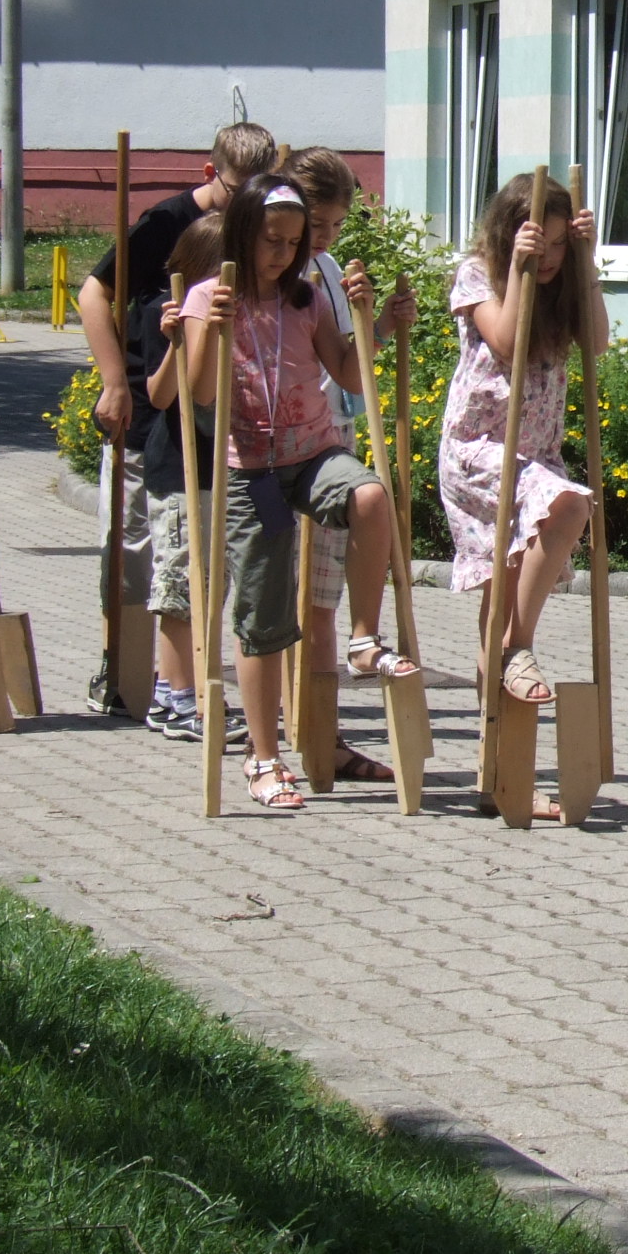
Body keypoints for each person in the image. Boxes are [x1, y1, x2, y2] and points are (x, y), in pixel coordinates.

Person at [178, 177, 419, 812]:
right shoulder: (210, 296)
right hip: (250, 471)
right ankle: (263, 757)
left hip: (313, 454)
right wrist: (208, 332)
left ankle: (363, 638)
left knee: (370, 497)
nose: (284, 253)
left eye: (293, 243)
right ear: (242, 234)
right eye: (272, 241)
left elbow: (349, 373)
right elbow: (198, 395)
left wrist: (376, 324)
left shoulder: (306, 298)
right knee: (264, 617)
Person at [78, 120, 281, 716]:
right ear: (210, 173)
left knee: (198, 561)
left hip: (216, 423)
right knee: (140, 551)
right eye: (237, 190)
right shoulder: (166, 224)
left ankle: (179, 681)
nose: (247, 205)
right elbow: (94, 293)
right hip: (152, 411)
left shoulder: (258, 229)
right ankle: (124, 674)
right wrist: (115, 383)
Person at [438, 172, 604, 712]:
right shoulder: (476, 275)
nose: (551, 256)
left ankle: (499, 750)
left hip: (536, 454)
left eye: (560, 244)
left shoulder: (564, 284)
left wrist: (586, 264)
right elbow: (507, 341)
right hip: (480, 450)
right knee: (570, 505)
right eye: (542, 243)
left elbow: (597, 341)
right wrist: (518, 268)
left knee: (502, 596)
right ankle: (519, 648)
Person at [282, 144, 397, 784]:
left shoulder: (324, 267)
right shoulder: (272, 269)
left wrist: (373, 322)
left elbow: (349, 367)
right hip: (275, 447)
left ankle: (323, 735)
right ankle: (279, 730)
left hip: (331, 435)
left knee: (321, 597)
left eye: (335, 224)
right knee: (280, 599)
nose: (324, 236)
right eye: (316, 223)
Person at [136, 215, 223, 742]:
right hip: (178, 468)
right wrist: (176, 343)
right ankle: (175, 695)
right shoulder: (163, 312)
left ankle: (190, 687)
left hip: (223, 466)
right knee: (179, 585)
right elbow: (160, 395)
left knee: (209, 586)